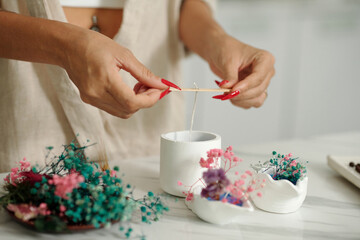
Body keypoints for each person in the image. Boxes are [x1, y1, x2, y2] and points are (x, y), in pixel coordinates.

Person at [0, 0, 275, 172]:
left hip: (148, 143)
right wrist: (64, 47)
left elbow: (183, 5)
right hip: (29, 102)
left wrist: (218, 41)